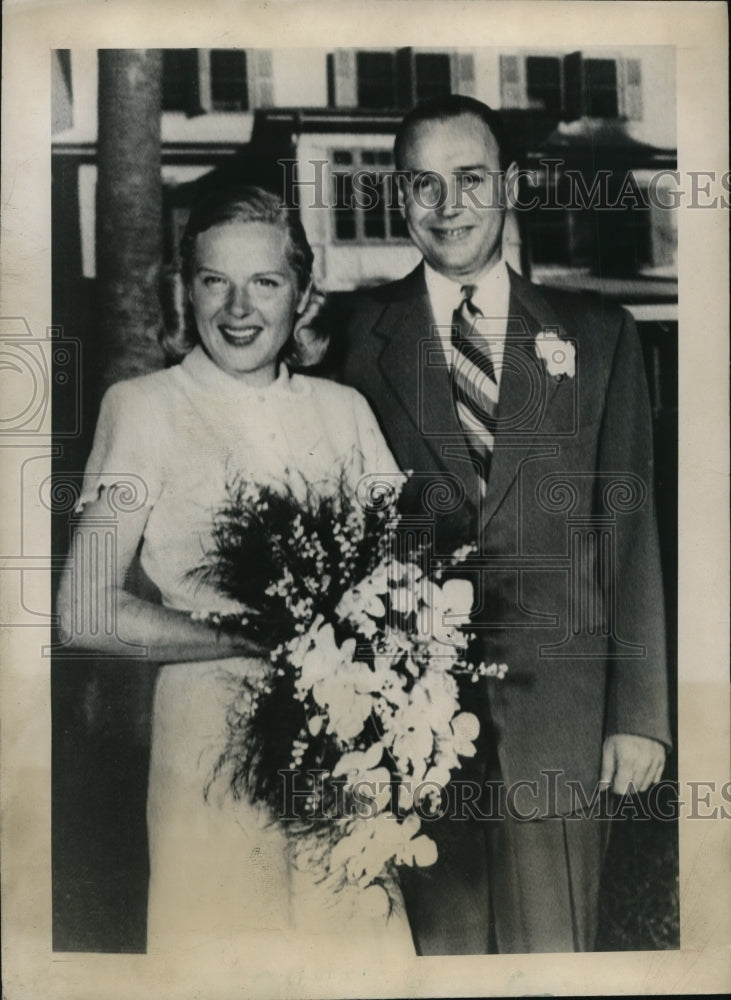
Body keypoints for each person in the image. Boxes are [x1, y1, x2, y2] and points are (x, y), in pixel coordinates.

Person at [320, 95, 671, 954]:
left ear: (509, 185)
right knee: (435, 953)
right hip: (406, 725)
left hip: (562, 712)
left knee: (555, 952)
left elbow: (626, 535)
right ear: (398, 197)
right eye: (422, 185)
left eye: (469, 179)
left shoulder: (599, 335)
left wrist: (641, 710)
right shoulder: (353, 339)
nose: (447, 207)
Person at [57, 185, 414, 958]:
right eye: (215, 280)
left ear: (305, 295)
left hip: (341, 744)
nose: (238, 308)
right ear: (186, 291)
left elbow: (399, 594)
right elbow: (83, 610)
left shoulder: (344, 410)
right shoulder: (143, 405)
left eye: (265, 282)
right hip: (206, 747)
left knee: (353, 958)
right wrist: (245, 636)